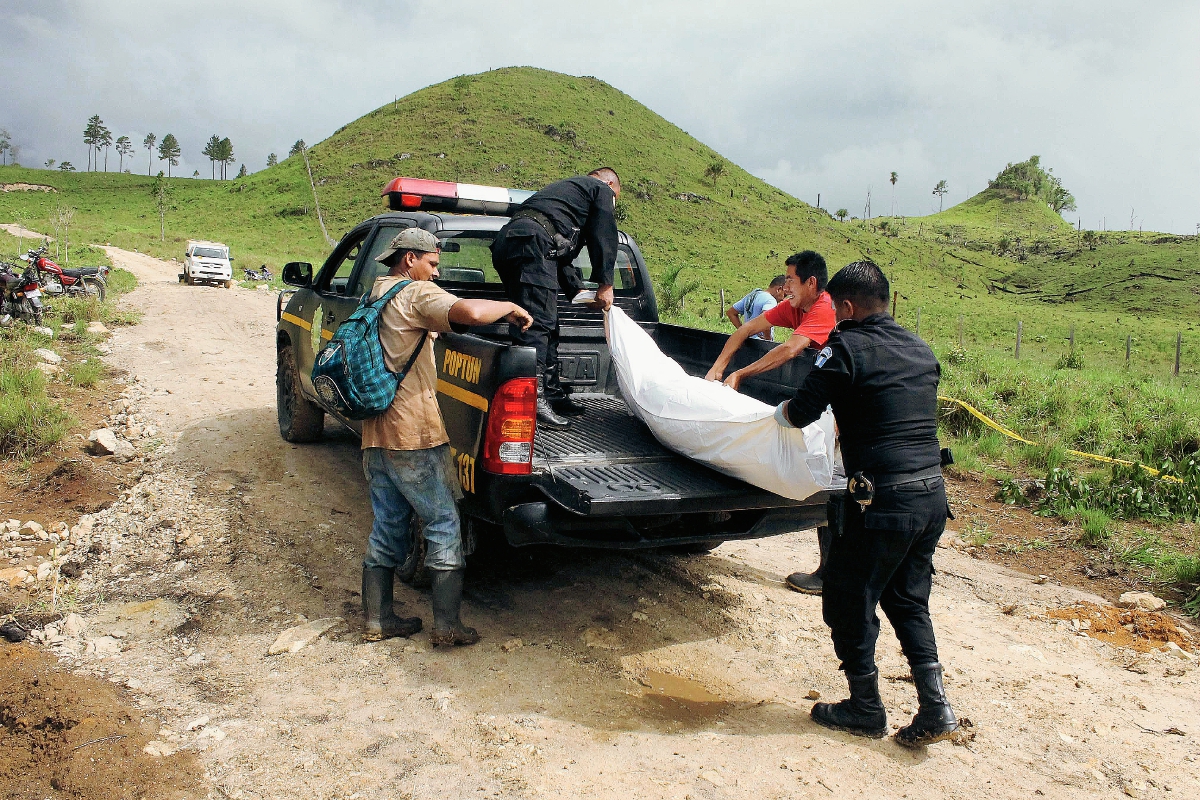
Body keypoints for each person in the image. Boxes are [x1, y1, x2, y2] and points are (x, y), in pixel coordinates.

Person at [774, 260, 959, 747]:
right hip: (930, 497)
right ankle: (936, 706)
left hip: (882, 502)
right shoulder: (920, 348)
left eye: (837, 310)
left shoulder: (845, 347)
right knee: (907, 599)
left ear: (848, 307)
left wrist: (775, 417)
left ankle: (865, 707)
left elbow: (802, 411)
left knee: (847, 597)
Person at [361, 228, 533, 648]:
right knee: (442, 522)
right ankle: (447, 626)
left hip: (376, 432)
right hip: (413, 433)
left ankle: (378, 619)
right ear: (410, 259)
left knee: (388, 524)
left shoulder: (376, 292)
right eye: (432, 263)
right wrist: (509, 306)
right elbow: (469, 313)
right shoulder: (415, 293)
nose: (436, 273)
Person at [491, 168, 621, 430]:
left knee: (544, 322)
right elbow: (604, 234)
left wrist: (577, 291)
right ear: (609, 184)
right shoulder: (599, 188)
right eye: (615, 197)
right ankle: (533, 402)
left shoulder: (562, 199)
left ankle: (552, 395)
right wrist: (605, 283)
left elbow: (558, 255)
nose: (612, 202)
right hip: (531, 244)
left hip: (513, 244)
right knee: (537, 325)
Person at [704, 251, 835, 391]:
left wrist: (740, 374)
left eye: (790, 280)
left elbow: (790, 349)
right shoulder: (793, 306)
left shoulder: (826, 308)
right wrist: (717, 367)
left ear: (811, 282)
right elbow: (746, 328)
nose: (785, 288)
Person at [726, 275, 787, 340]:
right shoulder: (771, 300)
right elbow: (766, 319)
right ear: (779, 289)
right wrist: (768, 338)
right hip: (761, 342)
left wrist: (743, 332)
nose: (783, 299)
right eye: (784, 295)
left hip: (747, 340)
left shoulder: (752, 295)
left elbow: (731, 312)